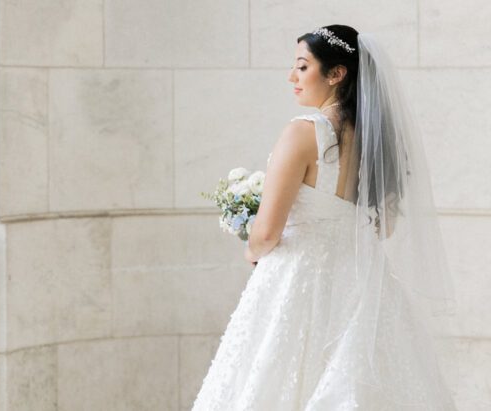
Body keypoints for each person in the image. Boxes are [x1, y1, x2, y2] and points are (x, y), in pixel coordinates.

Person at [192, 25, 458, 410]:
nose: (292, 77)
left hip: (295, 278)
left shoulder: (303, 133)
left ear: (336, 74)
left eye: (302, 67)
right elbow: (385, 226)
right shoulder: (372, 140)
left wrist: (251, 247)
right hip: (360, 280)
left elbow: (267, 234)